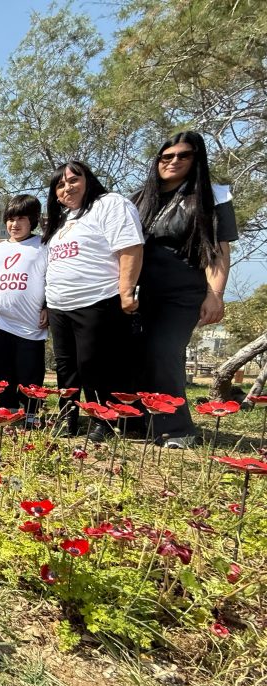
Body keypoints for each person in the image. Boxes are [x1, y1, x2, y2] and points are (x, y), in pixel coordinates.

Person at [132, 131, 237, 448]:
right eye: (167, 156)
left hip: (182, 293)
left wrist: (215, 294)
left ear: (197, 159)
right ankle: (142, 421)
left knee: (164, 351)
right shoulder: (138, 200)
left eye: (183, 155)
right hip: (138, 293)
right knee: (137, 355)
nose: (174, 161)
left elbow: (217, 251)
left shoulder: (212, 197)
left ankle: (177, 429)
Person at [42, 160, 144, 440]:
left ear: (88, 179)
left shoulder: (110, 204)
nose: (67, 188)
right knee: (66, 366)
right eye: (60, 185)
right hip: (59, 305)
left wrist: (127, 290)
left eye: (73, 180)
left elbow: (130, 246)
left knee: (94, 364)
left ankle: (106, 420)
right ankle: (68, 418)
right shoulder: (63, 219)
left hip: (98, 299)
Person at [0, 195, 49, 414]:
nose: (14, 224)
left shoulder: (43, 246)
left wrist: (47, 306)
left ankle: (30, 412)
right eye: (10, 219)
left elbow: (52, 280)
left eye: (21, 219)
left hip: (30, 323)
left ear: (33, 220)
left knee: (30, 371)